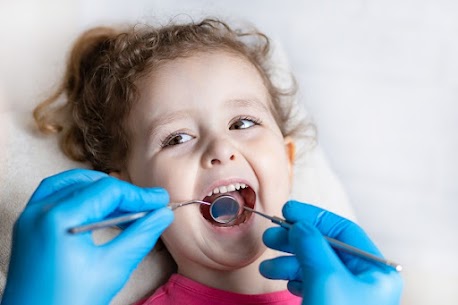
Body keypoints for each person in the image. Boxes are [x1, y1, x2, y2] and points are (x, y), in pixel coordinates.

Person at [0, 18, 402, 305]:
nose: (219, 148)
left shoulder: (354, 293)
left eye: (243, 122)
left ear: (288, 160)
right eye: (176, 138)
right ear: (130, 192)